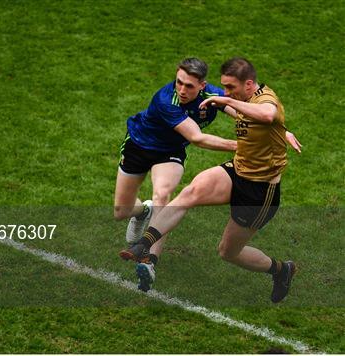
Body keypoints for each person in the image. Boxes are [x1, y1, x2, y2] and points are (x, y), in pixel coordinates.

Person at [119, 57, 301, 303]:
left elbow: (269, 114)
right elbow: (267, 121)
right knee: (190, 192)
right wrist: (282, 130)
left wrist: (226, 101)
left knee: (228, 252)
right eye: (224, 88)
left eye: (230, 88)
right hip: (237, 170)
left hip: (259, 190)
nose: (225, 92)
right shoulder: (243, 99)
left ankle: (281, 270)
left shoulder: (265, 99)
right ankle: (144, 247)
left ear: (248, 85)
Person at [114, 58, 238, 292]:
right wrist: (243, 147)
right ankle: (144, 212)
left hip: (169, 153)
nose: (181, 90)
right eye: (179, 82)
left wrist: (271, 126)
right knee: (121, 211)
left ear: (203, 85)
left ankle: (149, 261)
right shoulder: (166, 100)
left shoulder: (211, 95)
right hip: (138, 147)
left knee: (163, 194)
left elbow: (238, 107)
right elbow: (197, 138)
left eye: (189, 86)